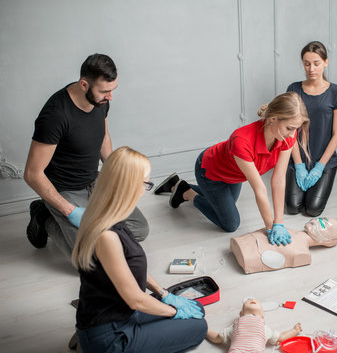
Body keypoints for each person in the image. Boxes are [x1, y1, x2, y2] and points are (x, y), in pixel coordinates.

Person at [72, 146, 207, 352]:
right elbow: (135, 299)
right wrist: (173, 312)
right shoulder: (107, 237)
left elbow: (131, 269)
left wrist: (164, 294)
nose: (146, 189)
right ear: (130, 185)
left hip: (120, 312)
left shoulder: (109, 215)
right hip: (111, 337)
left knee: (197, 308)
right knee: (199, 327)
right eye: (146, 183)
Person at [24, 53, 149, 256]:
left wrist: (115, 174)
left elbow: (103, 136)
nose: (110, 97)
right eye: (105, 91)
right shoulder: (55, 115)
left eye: (112, 90)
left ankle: (92, 227)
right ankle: (45, 217)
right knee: (87, 255)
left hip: (94, 181)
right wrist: (69, 211)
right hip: (66, 189)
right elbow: (32, 174)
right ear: (84, 85)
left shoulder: (100, 101)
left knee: (140, 229)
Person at [155, 92, 310, 246]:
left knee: (224, 204)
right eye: (289, 128)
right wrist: (270, 227)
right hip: (210, 171)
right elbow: (259, 189)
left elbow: (279, 180)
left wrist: (279, 223)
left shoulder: (287, 136)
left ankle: (180, 185)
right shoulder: (242, 140)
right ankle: (186, 193)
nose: (292, 134)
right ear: (274, 118)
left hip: (235, 176)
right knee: (231, 223)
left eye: (295, 129)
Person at [285, 41, 337, 217]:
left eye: (316, 63)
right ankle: (299, 170)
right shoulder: (294, 89)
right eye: (306, 63)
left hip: (324, 161)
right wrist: (298, 165)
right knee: (292, 207)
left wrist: (320, 166)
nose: (311, 68)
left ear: (326, 62)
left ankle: (321, 173)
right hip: (298, 159)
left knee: (312, 209)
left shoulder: (336, 92)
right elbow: (290, 132)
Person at [230, 217, 337, 274]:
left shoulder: (302, 254)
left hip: (246, 258)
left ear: (327, 241)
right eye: (320, 218)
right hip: (240, 243)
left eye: (324, 224)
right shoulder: (286, 230)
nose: (316, 220)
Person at [206, 297, 302, 351]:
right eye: (248, 301)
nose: (251, 299)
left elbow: (280, 337)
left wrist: (293, 331)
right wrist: (206, 330)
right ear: (241, 314)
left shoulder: (264, 328)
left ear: (262, 316)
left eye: (256, 301)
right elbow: (218, 338)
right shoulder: (236, 325)